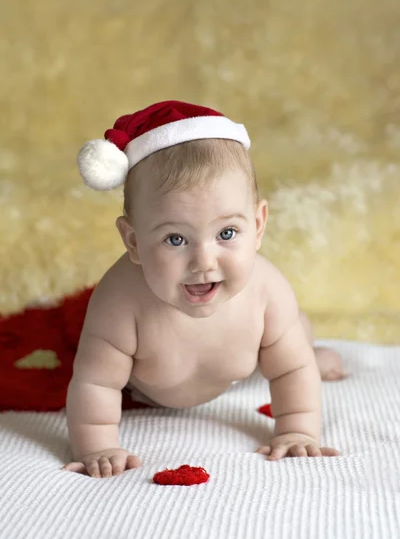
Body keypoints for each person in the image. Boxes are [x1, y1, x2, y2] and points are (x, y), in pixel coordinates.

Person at [62, 100, 344, 478]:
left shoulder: (266, 291)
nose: (204, 262)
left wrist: (296, 429)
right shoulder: (120, 302)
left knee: (292, 340)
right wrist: (97, 445)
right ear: (133, 241)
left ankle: (313, 347)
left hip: (238, 369)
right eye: (175, 239)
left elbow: (291, 370)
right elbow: (95, 381)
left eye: (227, 233)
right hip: (146, 388)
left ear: (258, 225)